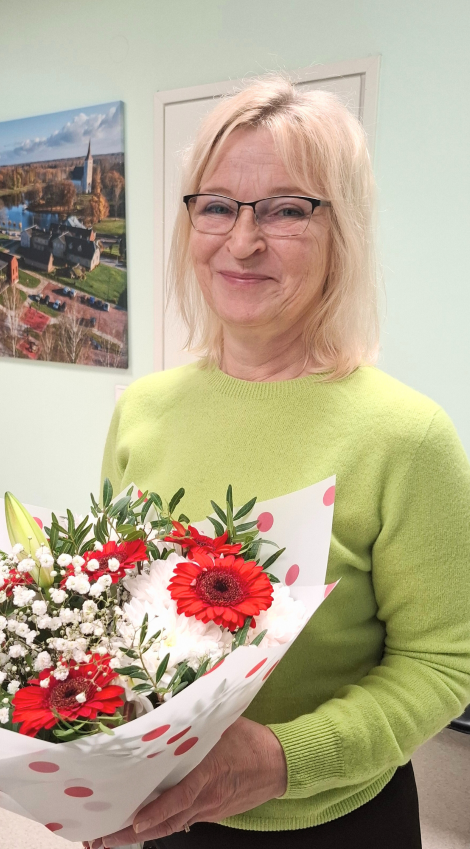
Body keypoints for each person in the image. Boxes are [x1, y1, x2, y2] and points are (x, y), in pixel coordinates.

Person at [95, 76, 470, 848]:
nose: (242, 241)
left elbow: (444, 663)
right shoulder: (142, 409)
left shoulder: (406, 436)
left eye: (286, 209)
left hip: (332, 820)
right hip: (157, 806)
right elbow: (105, 597)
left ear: (343, 229)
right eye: (218, 205)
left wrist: (279, 758)